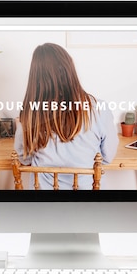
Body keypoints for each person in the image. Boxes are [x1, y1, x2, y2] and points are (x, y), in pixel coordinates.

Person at [14, 43, 118, 189]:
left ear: (35, 78)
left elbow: (24, 159)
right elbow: (107, 158)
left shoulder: (30, 113)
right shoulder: (99, 108)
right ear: (70, 71)